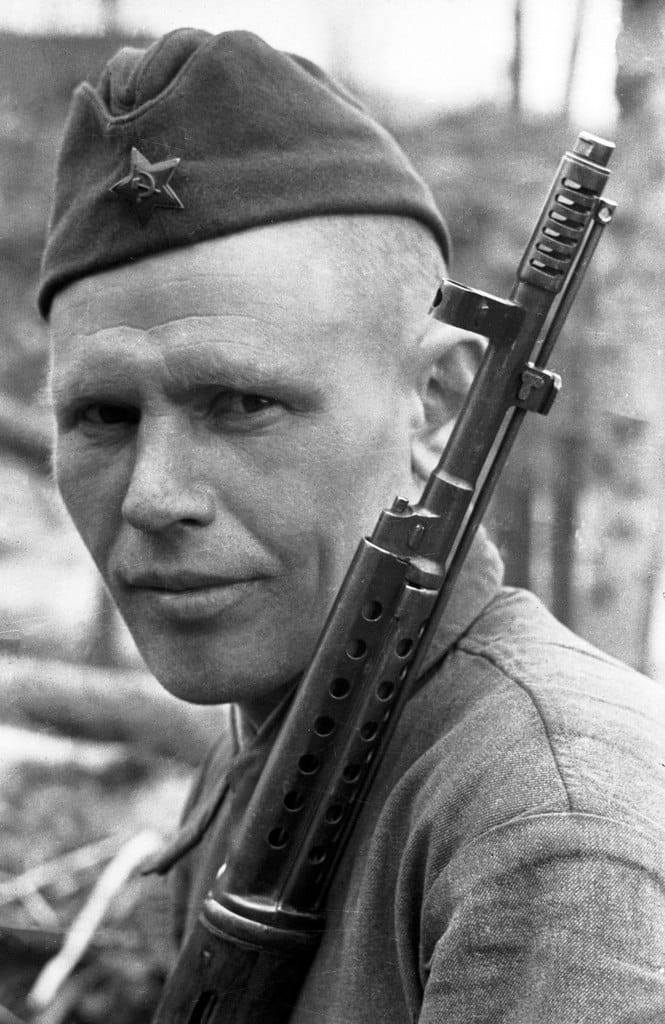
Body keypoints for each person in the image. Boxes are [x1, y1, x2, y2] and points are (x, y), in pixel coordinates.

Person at [40, 27, 665, 1024]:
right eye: (103, 415)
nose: (153, 495)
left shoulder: (550, 833)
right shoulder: (279, 722)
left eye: (241, 403)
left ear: (441, 404)